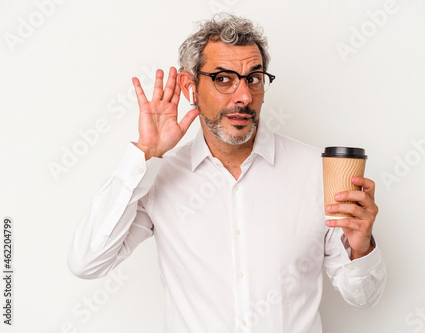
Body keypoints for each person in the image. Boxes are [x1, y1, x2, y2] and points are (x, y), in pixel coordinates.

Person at [68, 13, 386, 332]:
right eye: (223, 79)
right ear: (190, 86)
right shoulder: (156, 177)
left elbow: (364, 297)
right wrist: (146, 154)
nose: (244, 96)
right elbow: (87, 263)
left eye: (254, 78)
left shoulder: (317, 171)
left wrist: (361, 247)